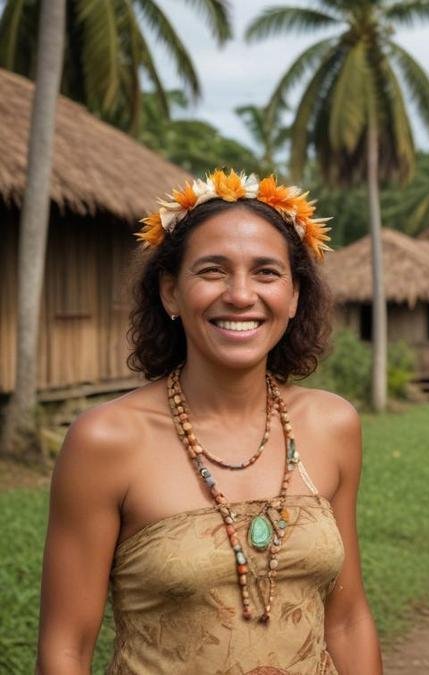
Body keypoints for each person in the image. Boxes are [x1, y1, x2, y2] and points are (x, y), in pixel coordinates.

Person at [36, 170, 381, 674]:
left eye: (266, 272)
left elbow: (347, 621)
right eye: (213, 271)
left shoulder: (332, 426)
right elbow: (65, 648)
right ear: (171, 293)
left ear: (294, 297)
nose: (241, 295)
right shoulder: (107, 441)